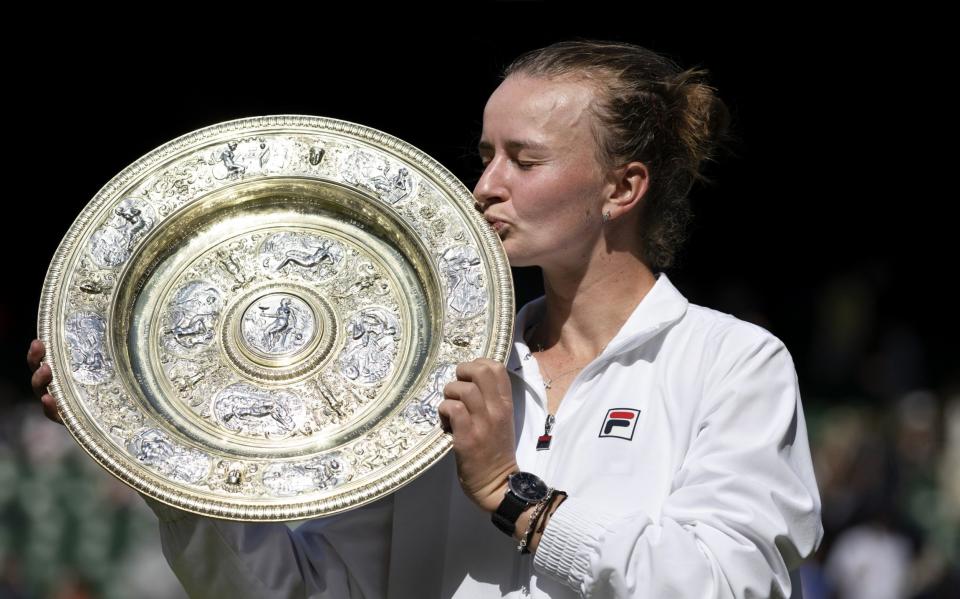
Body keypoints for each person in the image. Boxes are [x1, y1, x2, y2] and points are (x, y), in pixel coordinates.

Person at [28, 40, 823, 598]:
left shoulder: (730, 362)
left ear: (623, 187)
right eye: (486, 153)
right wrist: (171, 468)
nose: (484, 185)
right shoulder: (433, 366)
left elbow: (732, 585)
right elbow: (312, 592)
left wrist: (512, 493)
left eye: (525, 158)